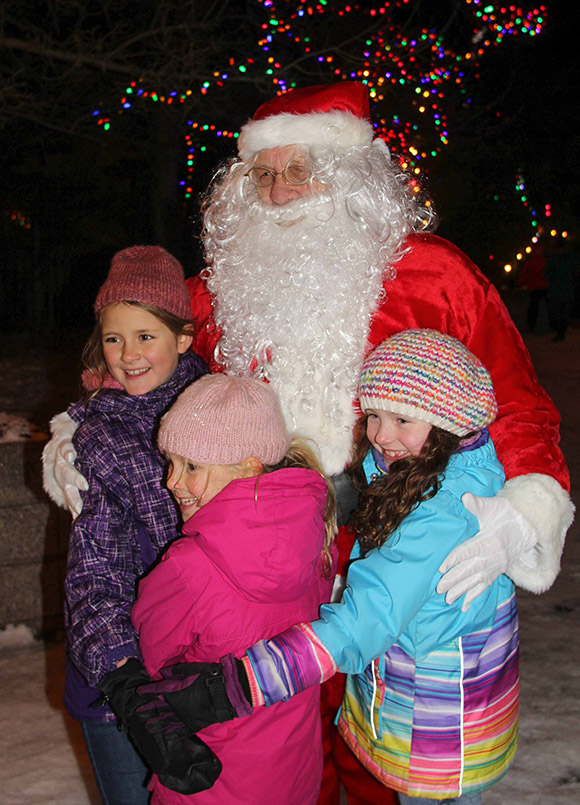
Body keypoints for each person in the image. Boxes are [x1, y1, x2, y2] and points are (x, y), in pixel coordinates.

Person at [43, 83, 574, 803]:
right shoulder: (224, 286)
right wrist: (79, 420)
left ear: (352, 176)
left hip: (395, 525)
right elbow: (145, 349)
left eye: (300, 170)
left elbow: (516, 400)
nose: (280, 193)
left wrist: (523, 507)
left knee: (383, 727)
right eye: (263, 175)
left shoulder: (438, 275)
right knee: (285, 726)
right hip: (259, 545)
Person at [147, 330, 519, 805]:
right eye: (375, 416)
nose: (382, 436)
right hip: (429, 702)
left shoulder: (441, 511)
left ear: (450, 423)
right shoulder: (435, 468)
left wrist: (240, 685)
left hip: (442, 728)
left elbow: (368, 619)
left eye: (403, 419)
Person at [50, 246, 210, 803]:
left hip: (203, 670)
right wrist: (126, 681)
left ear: (183, 338)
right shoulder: (99, 439)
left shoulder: (221, 415)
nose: (127, 355)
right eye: (114, 338)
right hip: (118, 676)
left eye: (146, 336)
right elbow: (96, 571)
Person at [130, 373, 336, 804]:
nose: (172, 482)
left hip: (212, 780)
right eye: (170, 462)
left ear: (249, 467)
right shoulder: (314, 530)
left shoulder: (188, 568)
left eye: (192, 467)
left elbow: (152, 657)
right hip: (293, 771)